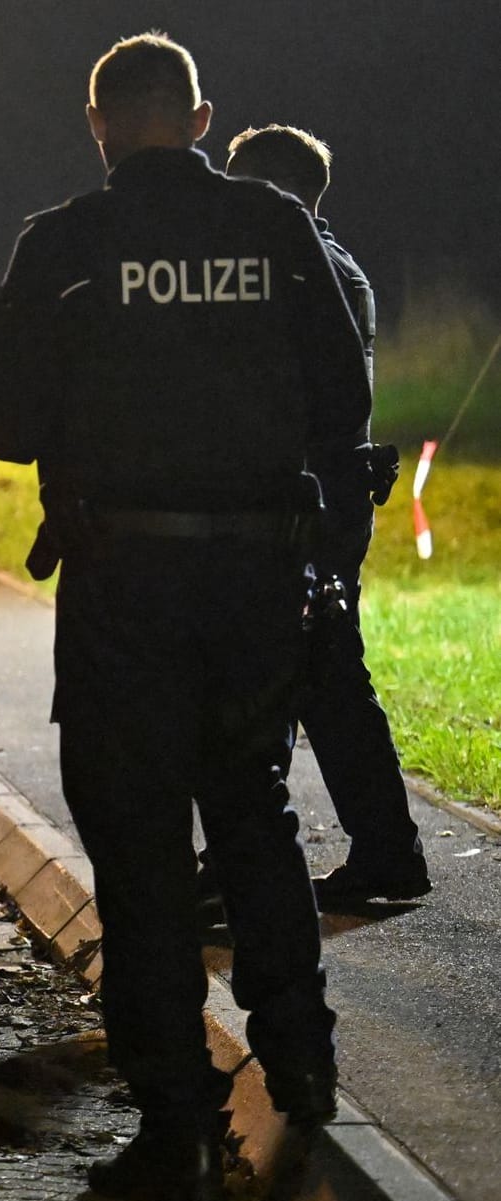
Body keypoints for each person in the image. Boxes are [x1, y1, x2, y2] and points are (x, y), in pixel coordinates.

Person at [0, 34, 370, 1201]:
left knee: (138, 847)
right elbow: (342, 398)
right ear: (196, 118)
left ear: (97, 124)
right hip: (253, 576)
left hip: (123, 579)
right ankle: (301, 1056)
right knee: (253, 807)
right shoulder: (278, 231)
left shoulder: (66, 242)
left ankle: (178, 1125)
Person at [224, 125, 431, 910]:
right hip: (327, 497)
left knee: (321, 676)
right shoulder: (333, 265)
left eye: (241, 187)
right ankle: (356, 852)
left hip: (308, 503)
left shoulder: (306, 272)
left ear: (274, 192)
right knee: (305, 674)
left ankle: (384, 853)